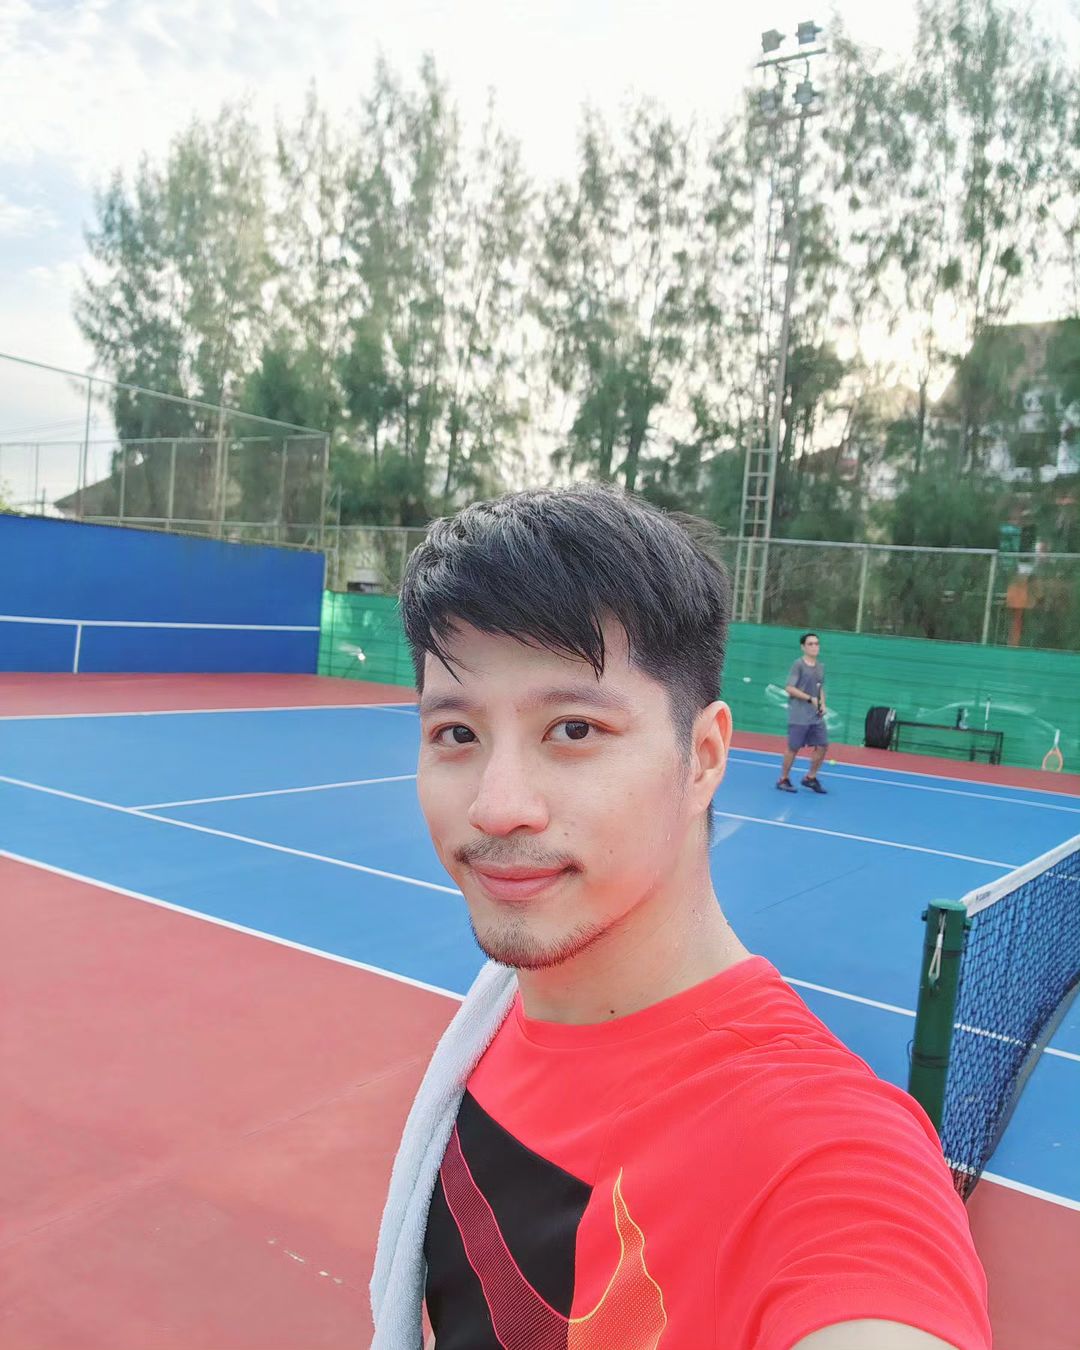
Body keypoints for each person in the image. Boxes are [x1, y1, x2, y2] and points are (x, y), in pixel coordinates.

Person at [370, 486, 990, 1350]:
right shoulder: (495, 1026)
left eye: (574, 730)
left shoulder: (824, 1151)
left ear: (702, 756)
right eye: (456, 735)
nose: (497, 806)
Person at [777, 632, 829, 795]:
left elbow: (820, 688)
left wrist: (822, 704)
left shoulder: (820, 667)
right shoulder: (798, 665)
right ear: (803, 647)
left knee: (823, 745)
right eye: (810, 644)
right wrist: (810, 699)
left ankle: (810, 778)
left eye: (816, 643)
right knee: (793, 748)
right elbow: (789, 688)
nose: (814, 647)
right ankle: (783, 779)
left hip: (815, 717)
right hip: (799, 715)